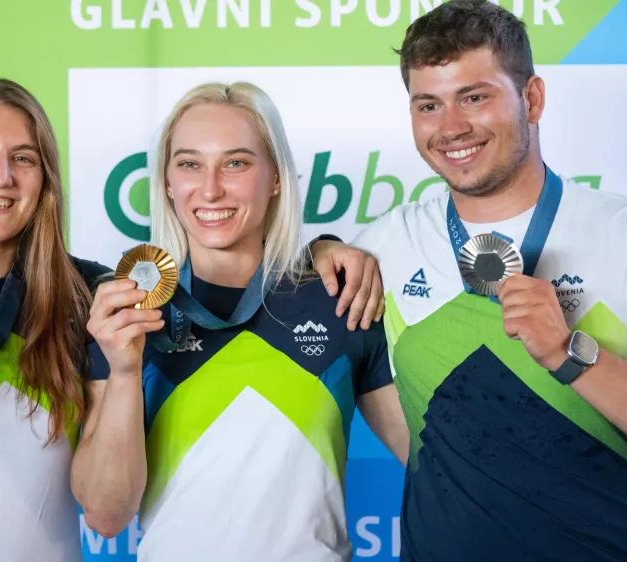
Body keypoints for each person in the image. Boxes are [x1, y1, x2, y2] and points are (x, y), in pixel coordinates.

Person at [0, 76, 383, 561]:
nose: (1, 176)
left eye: (24, 157)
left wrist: (323, 249)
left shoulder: (91, 296)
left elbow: (108, 506)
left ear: (45, 181)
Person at [349, 1, 627, 560]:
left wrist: (571, 355)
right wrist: (323, 249)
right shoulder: (381, 245)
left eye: (475, 96)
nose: (451, 128)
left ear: (532, 99)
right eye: (428, 105)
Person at [71, 81, 410, 562]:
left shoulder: (339, 299)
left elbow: (433, 465)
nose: (210, 188)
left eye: (236, 163)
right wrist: (125, 372)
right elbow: (105, 517)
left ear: (276, 176)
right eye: (189, 164)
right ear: (167, 182)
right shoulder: (127, 314)